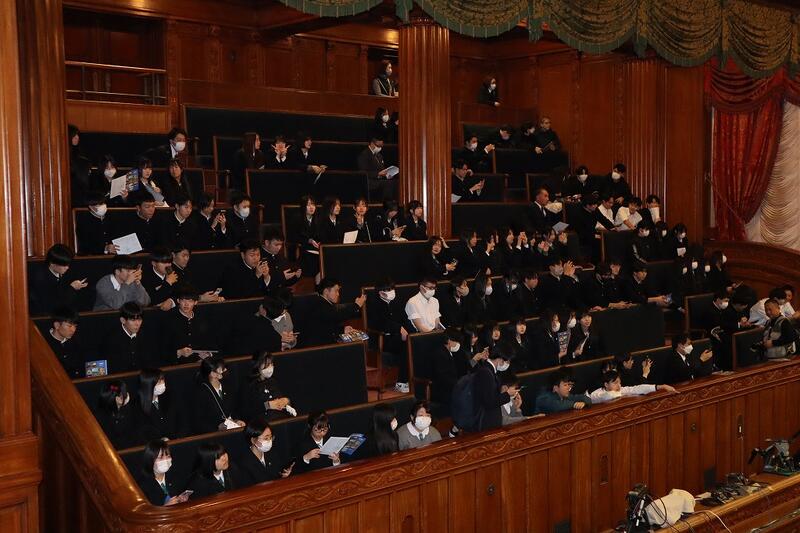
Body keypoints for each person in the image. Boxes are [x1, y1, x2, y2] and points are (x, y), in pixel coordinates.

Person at [367, 278, 410, 393]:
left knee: (413, 342)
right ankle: (401, 382)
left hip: (397, 337)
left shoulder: (397, 302)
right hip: (382, 338)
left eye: (392, 289)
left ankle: (410, 379)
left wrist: (407, 331)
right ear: (380, 292)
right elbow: (380, 323)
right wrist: (399, 328)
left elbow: (405, 320)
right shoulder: (374, 304)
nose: (391, 292)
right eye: (388, 290)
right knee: (406, 346)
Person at [301, 278, 366, 347]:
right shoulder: (319, 304)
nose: (338, 294)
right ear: (326, 291)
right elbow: (336, 315)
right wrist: (356, 306)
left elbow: (327, 327)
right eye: (336, 291)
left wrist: (343, 330)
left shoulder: (324, 303)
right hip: (317, 347)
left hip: (324, 344)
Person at [161, 285, 216, 365]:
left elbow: (209, 344)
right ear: (178, 301)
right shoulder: (169, 320)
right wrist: (179, 352)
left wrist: (206, 356)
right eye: (183, 300)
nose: (186, 304)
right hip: (176, 364)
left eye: (190, 301)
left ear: (195, 302)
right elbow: (162, 349)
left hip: (198, 362)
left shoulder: (201, 319)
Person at [29, 244, 87, 315]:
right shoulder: (40, 278)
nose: (67, 267)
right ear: (52, 263)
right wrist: (72, 288)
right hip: (47, 315)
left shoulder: (68, 271)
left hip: (69, 314)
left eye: (68, 264)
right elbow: (51, 306)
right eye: (64, 265)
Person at [192, 356, 245, 434]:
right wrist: (217, 428)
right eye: (221, 368)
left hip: (232, 430)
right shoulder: (201, 392)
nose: (224, 370)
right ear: (211, 373)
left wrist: (237, 420)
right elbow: (198, 421)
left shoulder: (229, 386)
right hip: (213, 434)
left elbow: (236, 408)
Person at [97, 302, 153, 373]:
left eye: (139, 319)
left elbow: (149, 361)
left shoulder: (146, 334)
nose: (137, 324)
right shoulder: (111, 339)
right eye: (133, 320)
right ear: (123, 320)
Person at [240, 351, 295, 422]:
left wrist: (286, 401)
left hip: (281, 418)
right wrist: (267, 405)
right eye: (267, 364)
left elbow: (284, 398)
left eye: (271, 364)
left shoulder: (273, 381)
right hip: (263, 422)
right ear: (258, 365)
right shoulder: (248, 384)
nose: (270, 367)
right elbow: (245, 411)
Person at [474, 346, 517, 431]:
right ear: (500, 359)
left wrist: (502, 391)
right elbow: (490, 402)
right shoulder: (486, 372)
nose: (507, 364)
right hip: (488, 422)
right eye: (507, 361)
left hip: (491, 420)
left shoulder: (489, 370)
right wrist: (507, 394)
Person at [239, 417, 292, 485]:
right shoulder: (244, 463)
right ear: (253, 440)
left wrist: (284, 476)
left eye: (270, 437)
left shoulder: (272, 453)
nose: (269, 441)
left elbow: (278, 473)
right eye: (266, 438)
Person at [136, 440, 190, 506]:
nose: (166, 460)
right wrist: (164, 507)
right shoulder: (142, 486)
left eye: (168, 456)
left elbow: (177, 494)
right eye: (160, 457)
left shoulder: (174, 475)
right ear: (150, 460)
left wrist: (180, 499)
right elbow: (144, 510)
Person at [135, 368, 182, 443]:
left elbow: (181, 419)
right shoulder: (138, 405)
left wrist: (177, 438)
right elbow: (143, 432)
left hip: (176, 441)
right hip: (155, 445)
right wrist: (160, 441)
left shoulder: (170, 396)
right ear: (149, 384)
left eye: (163, 380)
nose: (163, 383)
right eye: (159, 381)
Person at [430, 328, 471, 406]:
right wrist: (459, 385)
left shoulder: (455, 352)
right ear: (449, 341)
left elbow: (465, 367)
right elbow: (443, 377)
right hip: (443, 390)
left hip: (455, 385)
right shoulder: (439, 354)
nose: (458, 344)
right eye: (457, 341)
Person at [589, 370, 676, 404]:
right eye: (615, 383)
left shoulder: (620, 389)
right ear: (606, 385)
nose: (619, 385)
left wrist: (661, 386)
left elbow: (637, 388)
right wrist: (624, 396)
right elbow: (609, 396)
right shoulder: (596, 394)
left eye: (620, 382)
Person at [96, 380, 137, 449]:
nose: (127, 394)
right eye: (124, 395)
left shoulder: (132, 408)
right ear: (117, 399)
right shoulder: (101, 417)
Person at [45, 307, 84, 378]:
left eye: (75, 326)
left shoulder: (76, 340)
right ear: (57, 325)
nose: (73, 330)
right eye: (69, 326)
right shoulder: (44, 343)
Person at [357, 136, 397, 201]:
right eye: (378, 146)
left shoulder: (379, 155)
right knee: (388, 184)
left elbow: (382, 169)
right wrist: (378, 174)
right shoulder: (364, 154)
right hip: (369, 181)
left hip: (379, 180)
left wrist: (387, 174)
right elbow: (363, 173)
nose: (380, 148)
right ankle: (387, 203)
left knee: (395, 182)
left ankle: (393, 203)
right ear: (372, 144)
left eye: (381, 146)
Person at [68, 124, 92, 206]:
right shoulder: (65, 155)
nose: (77, 137)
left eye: (78, 135)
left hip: (81, 190)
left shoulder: (80, 153)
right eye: (74, 135)